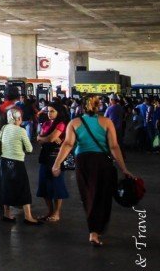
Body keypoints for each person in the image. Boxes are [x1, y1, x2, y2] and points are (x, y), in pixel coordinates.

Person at [52, 95, 134, 247]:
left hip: (83, 162)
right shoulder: (106, 122)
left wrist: (56, 164)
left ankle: (93, 232)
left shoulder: (74, 123)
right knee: (103, 197)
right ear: (99, 107)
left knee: (88, 196)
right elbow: (114, 147)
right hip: (103, 163)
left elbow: (68, 144)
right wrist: (124, 169)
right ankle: (98, 229)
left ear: (82, 107)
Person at [0, 109, 40, 225]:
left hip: (4, 161)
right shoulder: (21, 131)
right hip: (17, 162)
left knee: (6, 187)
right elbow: (29, 148)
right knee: (23, 188)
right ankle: (28, 216)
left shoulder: (4, 128)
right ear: (18, 118)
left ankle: (7, 214)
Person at [35, 101, 69, 222]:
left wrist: (43, 139)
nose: (49, 113)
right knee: (44, 185)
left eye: (52, 111)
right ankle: (49, 211)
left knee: (56, 185)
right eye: (48, 111)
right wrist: (44, 139)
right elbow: (39, 138)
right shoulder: (46, 123)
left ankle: (56, 213)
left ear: (59, 112)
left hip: (56, 158)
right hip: (45, 157)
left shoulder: (61, 124)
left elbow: (50, 138)